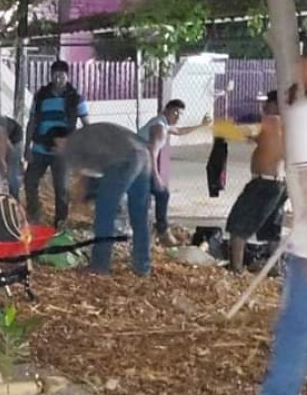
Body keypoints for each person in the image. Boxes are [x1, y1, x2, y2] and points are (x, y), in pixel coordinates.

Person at [54, 123, 151, 275]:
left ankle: (100, 265)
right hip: (144, 155)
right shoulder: (87, 133)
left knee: (105, 214)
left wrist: (79, 201)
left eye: (55, 147)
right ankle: (142, 266)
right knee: (140, 215)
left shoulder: (72, 146)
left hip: (123, 160)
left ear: (59, 141)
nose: (58, 151)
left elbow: (83, 178)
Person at [225, 90, 286, 272]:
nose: (264, 106)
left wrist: (223, 128)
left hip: (263, 184)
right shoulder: (288, 126)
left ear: (277, 104)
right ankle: (274, 267)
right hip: (280, 183)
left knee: (238, 225)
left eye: (268, 102)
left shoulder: (271, 121)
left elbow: (246, 131)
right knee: (272, 228)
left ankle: (236, 269)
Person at [24, 60, 89, 229]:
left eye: (62, 75)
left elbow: (86, 125)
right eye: (55, 74)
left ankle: (60, 223)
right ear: (51, 75)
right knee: (29, 181)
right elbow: (32, 121)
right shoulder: (40, 96)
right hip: (39, 147)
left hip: (63, 151)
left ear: (67, 76)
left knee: (62, 189)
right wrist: (27, 147)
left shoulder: (76, 98)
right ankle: (34, 214)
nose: (58, 78)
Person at [138, 99, 211, 246]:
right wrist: (156, 175)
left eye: (180, 114)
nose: (177, 116)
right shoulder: (160, 128)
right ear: (166, 110)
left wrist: (201, 125)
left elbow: (179, 131)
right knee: (162, 193)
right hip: (138, 164)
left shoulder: (161, 123)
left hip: (137, 163)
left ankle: (153, 230)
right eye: (175, 112)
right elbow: (152, 152)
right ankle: (162, 231)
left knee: (154, 195)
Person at [1, 115, 23, 199]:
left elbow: (6, 143)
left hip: (15, 141)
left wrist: (2, 160)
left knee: (11, 171)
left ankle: (14, 198)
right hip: (6, 141)